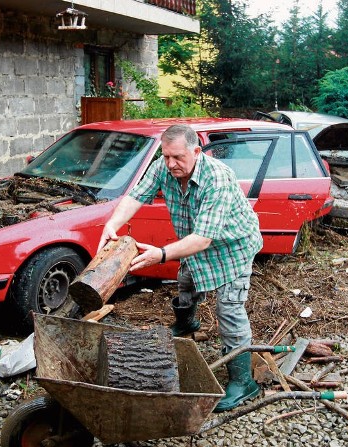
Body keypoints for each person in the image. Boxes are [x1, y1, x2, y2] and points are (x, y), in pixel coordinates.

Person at [98, 124, 262, 412]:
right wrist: (112, 223)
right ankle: (187, 322)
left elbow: (202, 238)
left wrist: (160, 254)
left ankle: (243, 381)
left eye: (177, 157)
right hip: (194, 245)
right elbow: (136, 195)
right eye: (166, 156)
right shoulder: (165, 166)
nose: (170, 164)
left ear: (196, 151)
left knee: (230, 310)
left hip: (232, 248)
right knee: (186, 281)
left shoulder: (218, 179)